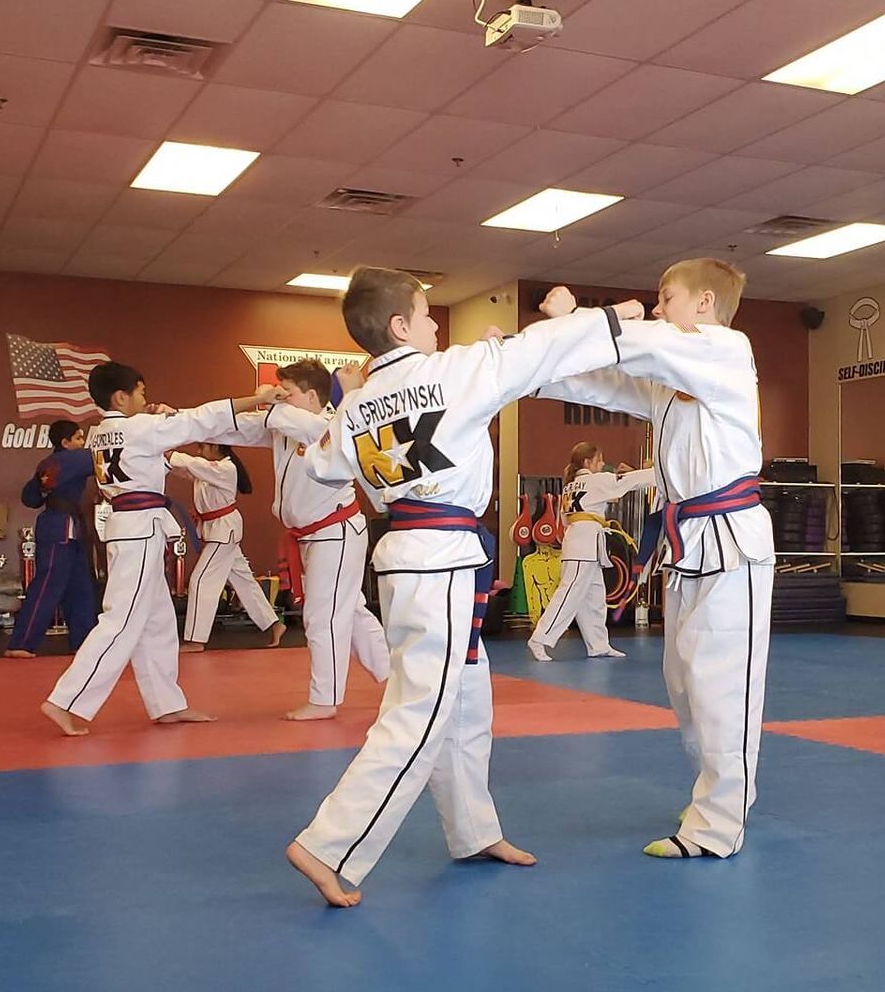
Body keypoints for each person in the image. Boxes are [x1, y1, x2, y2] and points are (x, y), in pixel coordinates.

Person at [285, 271, 644, 907]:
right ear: (400, 326)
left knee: (467, 696)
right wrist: (613, 314)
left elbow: (319, 463)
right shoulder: (455, 370)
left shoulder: (361, 402)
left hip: (405, 555)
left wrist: (354, 402)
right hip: (443, 558)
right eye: (426, 315)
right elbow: (541, 349)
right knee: (419, 711)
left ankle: (474, 830)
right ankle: (328, 844)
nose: (434, 325)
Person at [535, 261, 775, 861]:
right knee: (684, 683)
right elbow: (603, 383)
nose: (659, 308)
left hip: (731, 542)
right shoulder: (672, 379)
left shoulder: (727, 349)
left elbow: (642, 345)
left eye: (667, 298)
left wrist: (580, 318)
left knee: (721, 685)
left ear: (705, 302)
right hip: (688, 541)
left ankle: (718, 827)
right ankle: (715, 794)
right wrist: (530, 365)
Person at [41, 363, 290, 737]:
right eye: (140, 392)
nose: (145, 399)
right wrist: (256, 398)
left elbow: (161, 444)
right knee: (122, 620)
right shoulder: (138, 429)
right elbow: (201, 419)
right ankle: (66, 700)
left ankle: (166, 704)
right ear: (121, 397)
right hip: (139, 530)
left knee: (157, 621)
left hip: (133, 528)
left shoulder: (100, 432)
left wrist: (162, 417)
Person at [227, 357, 388, 721]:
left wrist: (265, 400)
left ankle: (325, 699)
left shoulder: (328, 425)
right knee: (351, 613)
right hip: (314, 537)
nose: (280, 397)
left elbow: (287, 420)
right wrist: (180, 422)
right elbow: (237, 429)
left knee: (322, 616)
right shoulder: (286, 426)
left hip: (336, 532)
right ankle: (395, 679)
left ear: (313, 396)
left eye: (288, 392)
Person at [527, 442, 655, 662]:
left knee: (594, 598)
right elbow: (631, 481)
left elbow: (566, 519)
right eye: (599, 460)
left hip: (581, 542)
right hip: (583, 545)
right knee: (569, 594)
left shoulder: (570, 486)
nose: (603, 464)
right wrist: (656, 470)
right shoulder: (597, 481)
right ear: (588, 462)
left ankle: (598, 645)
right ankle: (540, 638)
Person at [168, 442, 284, 652]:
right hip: (217, 530)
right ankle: (274, 624)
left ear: (215, 448)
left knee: (200, 580)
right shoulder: (208, 470)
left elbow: (194, 465)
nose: (199, 451)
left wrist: (172, 455)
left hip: (223, 531)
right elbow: (187, 470)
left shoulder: (226, 468)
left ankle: (196, 639)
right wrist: (164, 460)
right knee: (244, 581)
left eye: (203, 447)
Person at [6, 419, 98, 658]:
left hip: (66, 527)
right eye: (78, 438)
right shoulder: (73, 459)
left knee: (80, 586)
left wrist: (42, 483)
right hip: (59, 527)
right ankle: (21, 643)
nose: (82, 442)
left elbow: (30, 498)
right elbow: (102, 457)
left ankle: (83, 642)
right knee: (48, 585)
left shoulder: (49, 463)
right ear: (65, 442)